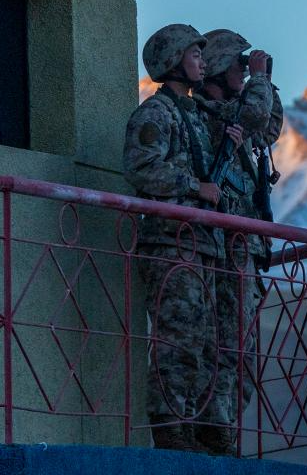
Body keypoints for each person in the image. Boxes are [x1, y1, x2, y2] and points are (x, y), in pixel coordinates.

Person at [123, 24, 238, 451]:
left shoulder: (194, 115)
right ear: (173, 61)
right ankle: (171, 429)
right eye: (195, 55)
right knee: (178, 340)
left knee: (203, 342)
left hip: (199, 245)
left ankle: (193, 428)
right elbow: (142, 168)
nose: (203, 63)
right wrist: (195, 188)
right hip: (170, 244)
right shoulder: (156, 114)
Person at [192, 29, 282, 455]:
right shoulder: (209, 114)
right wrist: (259, 81)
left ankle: (223, 429)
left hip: (245, 249)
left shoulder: (238, 113)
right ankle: (214, 429)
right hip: (225, 248)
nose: (243, 73)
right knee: (226, 344)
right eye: (237, 65)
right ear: (214, 70)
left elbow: (269, 126)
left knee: (243, 351)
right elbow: (253, 117)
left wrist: (267, 83)